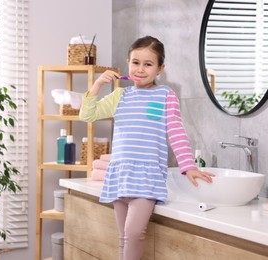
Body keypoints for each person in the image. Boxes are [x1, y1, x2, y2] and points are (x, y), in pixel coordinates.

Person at [79, 35, 214, 260]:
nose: (140, 70)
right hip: (121, 174)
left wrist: (188, 166)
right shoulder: (120, 95)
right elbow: (87, 114)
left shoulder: (165, 96)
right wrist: (97, 84)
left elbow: (176, 132)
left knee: (133, 234)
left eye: (148, 64)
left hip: (147, 175)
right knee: (123, 236)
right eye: (135, 63)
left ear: (160, 68)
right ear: (128, 63)